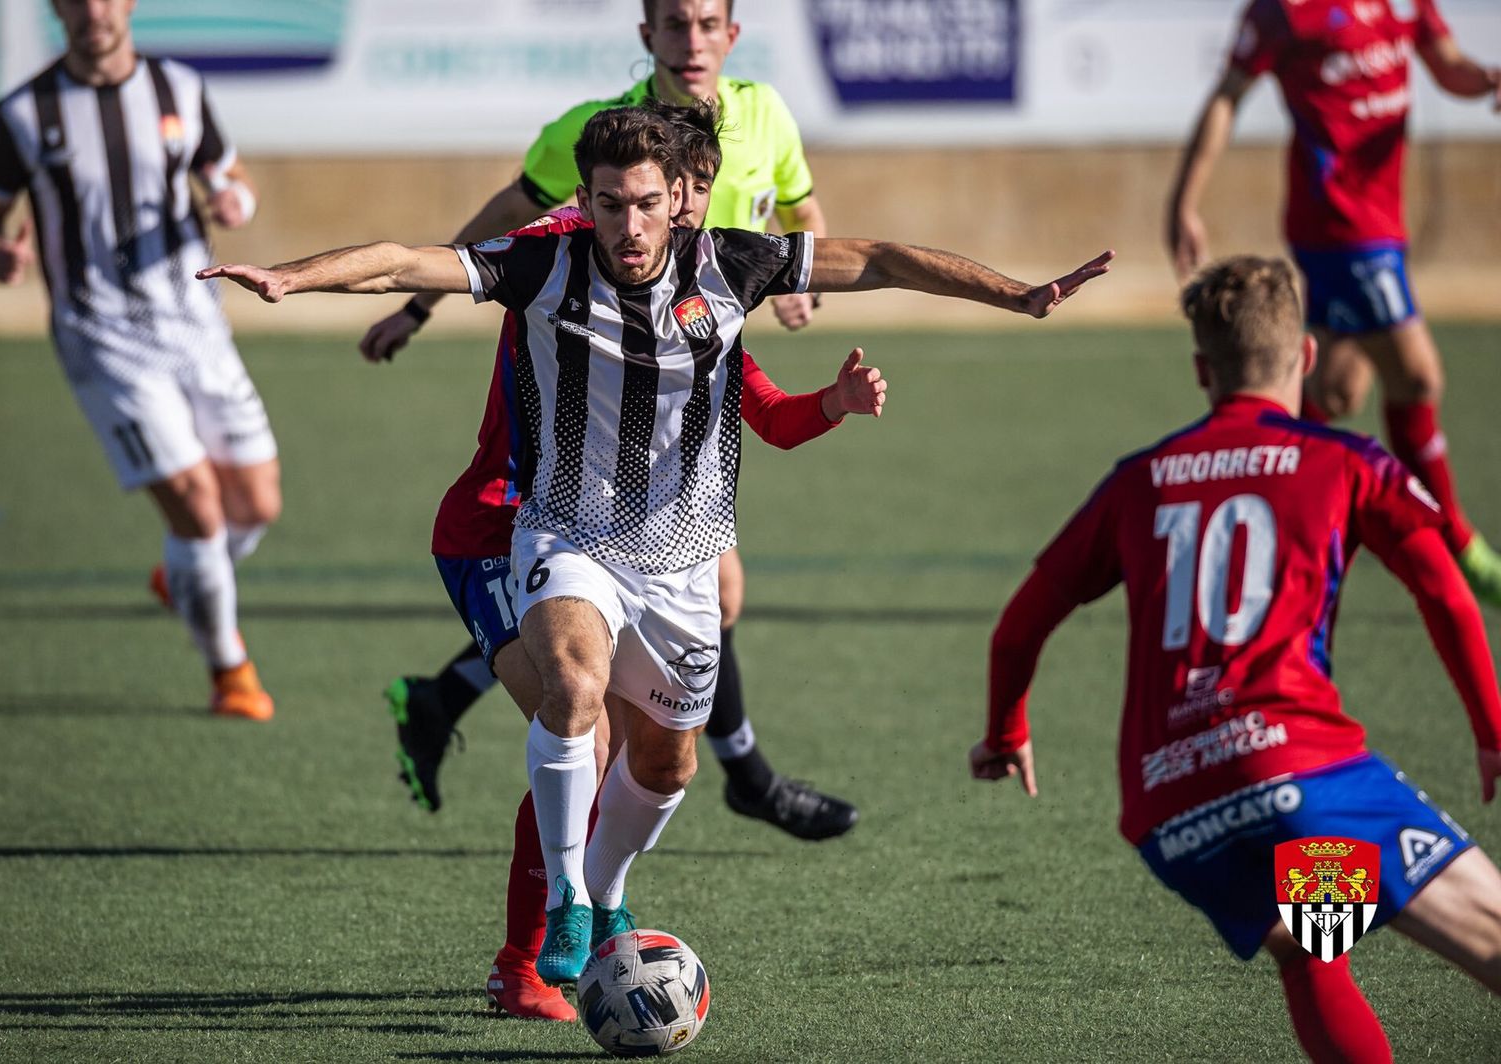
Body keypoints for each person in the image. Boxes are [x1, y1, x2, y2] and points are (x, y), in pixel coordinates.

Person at [199, 105, 1113, 985]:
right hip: (567, 535)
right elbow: (407, 259)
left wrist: (1016, 294)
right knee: (575, 692)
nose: (628, 225)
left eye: (645, 203)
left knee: (668, 761)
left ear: (678, 197)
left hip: (683, 562)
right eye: (609, 204)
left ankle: (606, 892)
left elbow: (875, 259)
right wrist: (291, 277)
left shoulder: (732, 267)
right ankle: (565, 900)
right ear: (586, 201)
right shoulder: (544, 265)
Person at [411, 101, 889, 1022]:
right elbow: (459, 251)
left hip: (621, 544)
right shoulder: (565, 249)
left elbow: (765, 409)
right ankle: (528, 955)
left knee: (648, 755)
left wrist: (832, 402)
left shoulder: (694, 296)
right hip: (499, 520)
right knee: (583, 727)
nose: (688, 214)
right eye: (681, 193)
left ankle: (587, 888)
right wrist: (405, 301)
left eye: (700, 194)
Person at [971, 256, 1501, 1062]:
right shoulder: (1346, 461)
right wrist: (1491, 731)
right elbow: (1447, 595)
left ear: (1201, 370)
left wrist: (1006, 731)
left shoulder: (1140, 480)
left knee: (1313, 941)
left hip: (1173, 804)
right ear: (1308, 357)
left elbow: (1017, 629)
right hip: (1301, 775)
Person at [366, 0, 853, 837]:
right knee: (602, 710)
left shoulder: (766, 115)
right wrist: (416, 306)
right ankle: (727, 787)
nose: (692, 40)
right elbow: (496, 233)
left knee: (647, 652)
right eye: (676, 23)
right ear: (646, 35)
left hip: (692, 365)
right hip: (591, 421)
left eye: (708, 23)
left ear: (732, 35)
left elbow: (804, 220)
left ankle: (462, 708)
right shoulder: (593, 143)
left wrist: (798, 286)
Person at [0, 0, 279, 720]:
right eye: (76, 0)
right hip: (102, 336)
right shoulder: (24, 114)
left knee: (257, 504)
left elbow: (230, 176)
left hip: (196, 324)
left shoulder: (179, 89)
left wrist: (236, 201)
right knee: (196, 504)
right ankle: (229, 671)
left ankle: (187, 578)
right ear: (57, 9)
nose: (94, 12)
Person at [1166, 0, 1501, 606]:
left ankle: (1264, 506)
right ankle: (1457, 543)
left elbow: (1447, 65)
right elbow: (1227, 96)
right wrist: (1184, 201)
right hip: (1340, 227)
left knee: (1337, 391)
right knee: (1418, 377)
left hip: (1383, 222)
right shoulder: (1286, 11)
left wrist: (1486, 80)